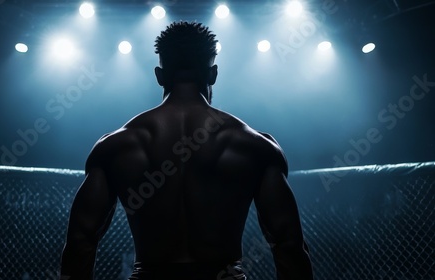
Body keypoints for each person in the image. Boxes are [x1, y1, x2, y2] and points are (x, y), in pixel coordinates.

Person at [60, 21, 313, 280]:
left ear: (159, 76)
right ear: (213, 73)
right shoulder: (253, 146)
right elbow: (288, 244)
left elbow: (81, 241)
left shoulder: (117, 146)